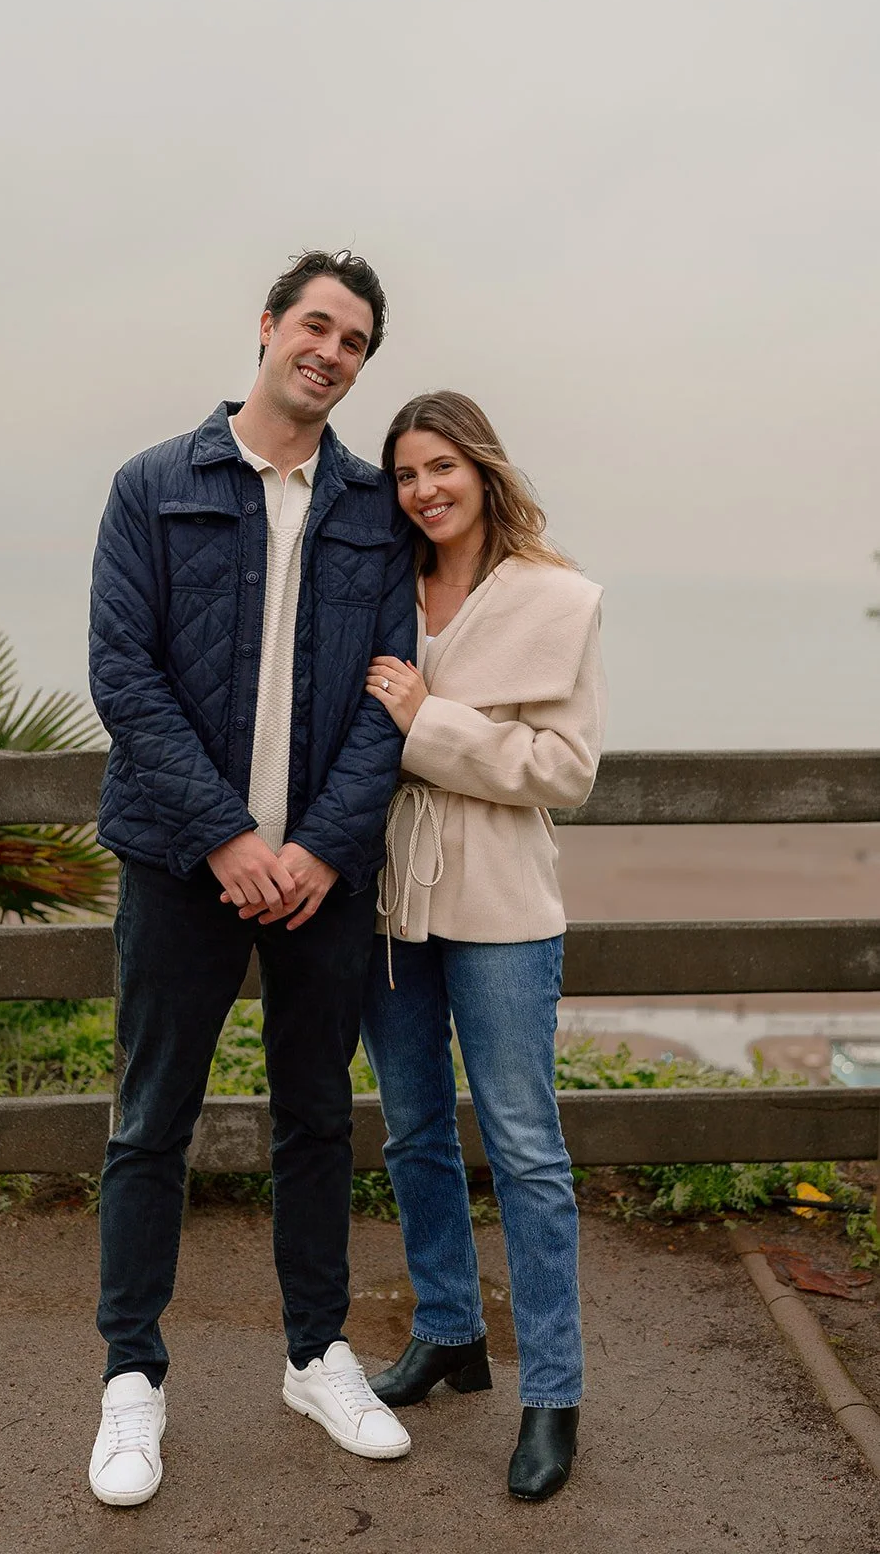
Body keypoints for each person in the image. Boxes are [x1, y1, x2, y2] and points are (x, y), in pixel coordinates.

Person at [86, 251, 417, 1506]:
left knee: (317, 1119)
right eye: (315, 326)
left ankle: (314, 1350)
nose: (328, 353)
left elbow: (389, 703)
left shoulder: (373, 510)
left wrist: (316, 850)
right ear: (267, 326)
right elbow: (124, 674)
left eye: (354, 342)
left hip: (319, 878)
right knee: (149, 1121)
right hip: (182, 863)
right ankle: (132, 1381)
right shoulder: (152, 486)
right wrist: (229, 837)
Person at [359, 391, 606, 1503]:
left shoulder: (557, 598)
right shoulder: (377, 590)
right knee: (411, 1130)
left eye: (440, 466)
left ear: (481, 469)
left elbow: (564, 770)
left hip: (502, 908)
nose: (424, 489)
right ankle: (450, 1332)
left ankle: (550, 1391)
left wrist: (429, 724)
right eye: (405, 473)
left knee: (523, 1147)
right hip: (389, 904)